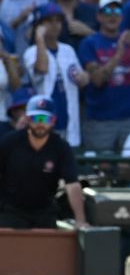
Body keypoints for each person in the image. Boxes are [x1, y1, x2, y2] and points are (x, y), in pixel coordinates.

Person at [0, 95, 88, 229]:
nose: (40, 123)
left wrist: (80, 220)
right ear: (27, 119)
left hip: (45, 212)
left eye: (46, 118)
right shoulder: (9, 143)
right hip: (10, 211)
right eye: (36, 118)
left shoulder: (61, 147)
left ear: (53, 121)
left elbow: (72, 184)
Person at [78, 0, 130, 152]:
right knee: (102, 169)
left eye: (116, 11)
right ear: (99, 16)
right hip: (100, 119)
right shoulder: (90, 43)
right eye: (107, 11)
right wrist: (119, 53)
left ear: (122, 16)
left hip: (129, 115)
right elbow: (97, 80)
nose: (112, 16)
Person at [23, 3, 90, 147]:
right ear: (39, 25)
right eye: (49, 21)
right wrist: (39, 38)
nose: (55, 25)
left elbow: (82, 80)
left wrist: (85, 77)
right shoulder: (32, 52)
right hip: (44, 123)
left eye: (58, 20)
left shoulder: (68, 50)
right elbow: (42, 68)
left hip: (69, 123)